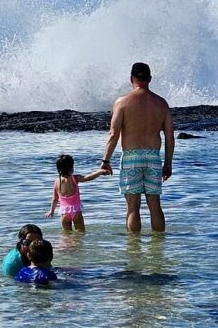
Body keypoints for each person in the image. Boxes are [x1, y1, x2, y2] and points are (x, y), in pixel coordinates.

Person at [101, 62, 174, 233]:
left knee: (133, 207)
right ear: (149, 79)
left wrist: (106, 160)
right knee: (155, 205)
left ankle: (134, 252)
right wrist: (168, 163)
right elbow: (169, 137)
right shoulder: (161, 104)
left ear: (131, 78)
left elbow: (113, 134)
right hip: (153, 156)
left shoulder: (122, 102)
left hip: (131, 157)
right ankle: (159, 249)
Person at [46, 154, 111, 231]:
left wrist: (52, 211)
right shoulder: (75, 178)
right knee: (81, 233)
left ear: (58, 169)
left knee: (67, 236)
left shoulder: (57, 182)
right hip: (76, 212)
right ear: (72, 168)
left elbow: (55, 199)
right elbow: (88, 177)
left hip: (64, 213)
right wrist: (99, 172)